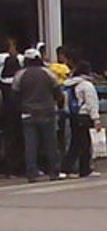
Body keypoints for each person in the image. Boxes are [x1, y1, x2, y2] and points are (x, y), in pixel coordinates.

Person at [12, 49, 62, 182]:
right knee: (50, 143)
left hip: (27, 113)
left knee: (30, 145)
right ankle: (54, 172)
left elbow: (15, 95)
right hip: (47, 112)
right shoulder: (48, 73)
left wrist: (20, 109)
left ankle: (31, 173)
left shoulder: (20, 75)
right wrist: (59, 105)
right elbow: (58, 91)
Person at [61, 60, 101, 178]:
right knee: (84, 143)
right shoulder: (86, 85)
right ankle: (84, 169)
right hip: (84, 115)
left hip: (73, 115)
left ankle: (67, 168)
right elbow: (92, 103)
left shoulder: (69, 84)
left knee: (75, 142)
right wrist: (96, 119)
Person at [1, 38, 25, 176]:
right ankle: (19, 167)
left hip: (6, 113)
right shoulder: (19, 82)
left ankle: (8, 168)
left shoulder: (4, 83)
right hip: (19, 112)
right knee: (20, 139)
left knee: (9, 140)